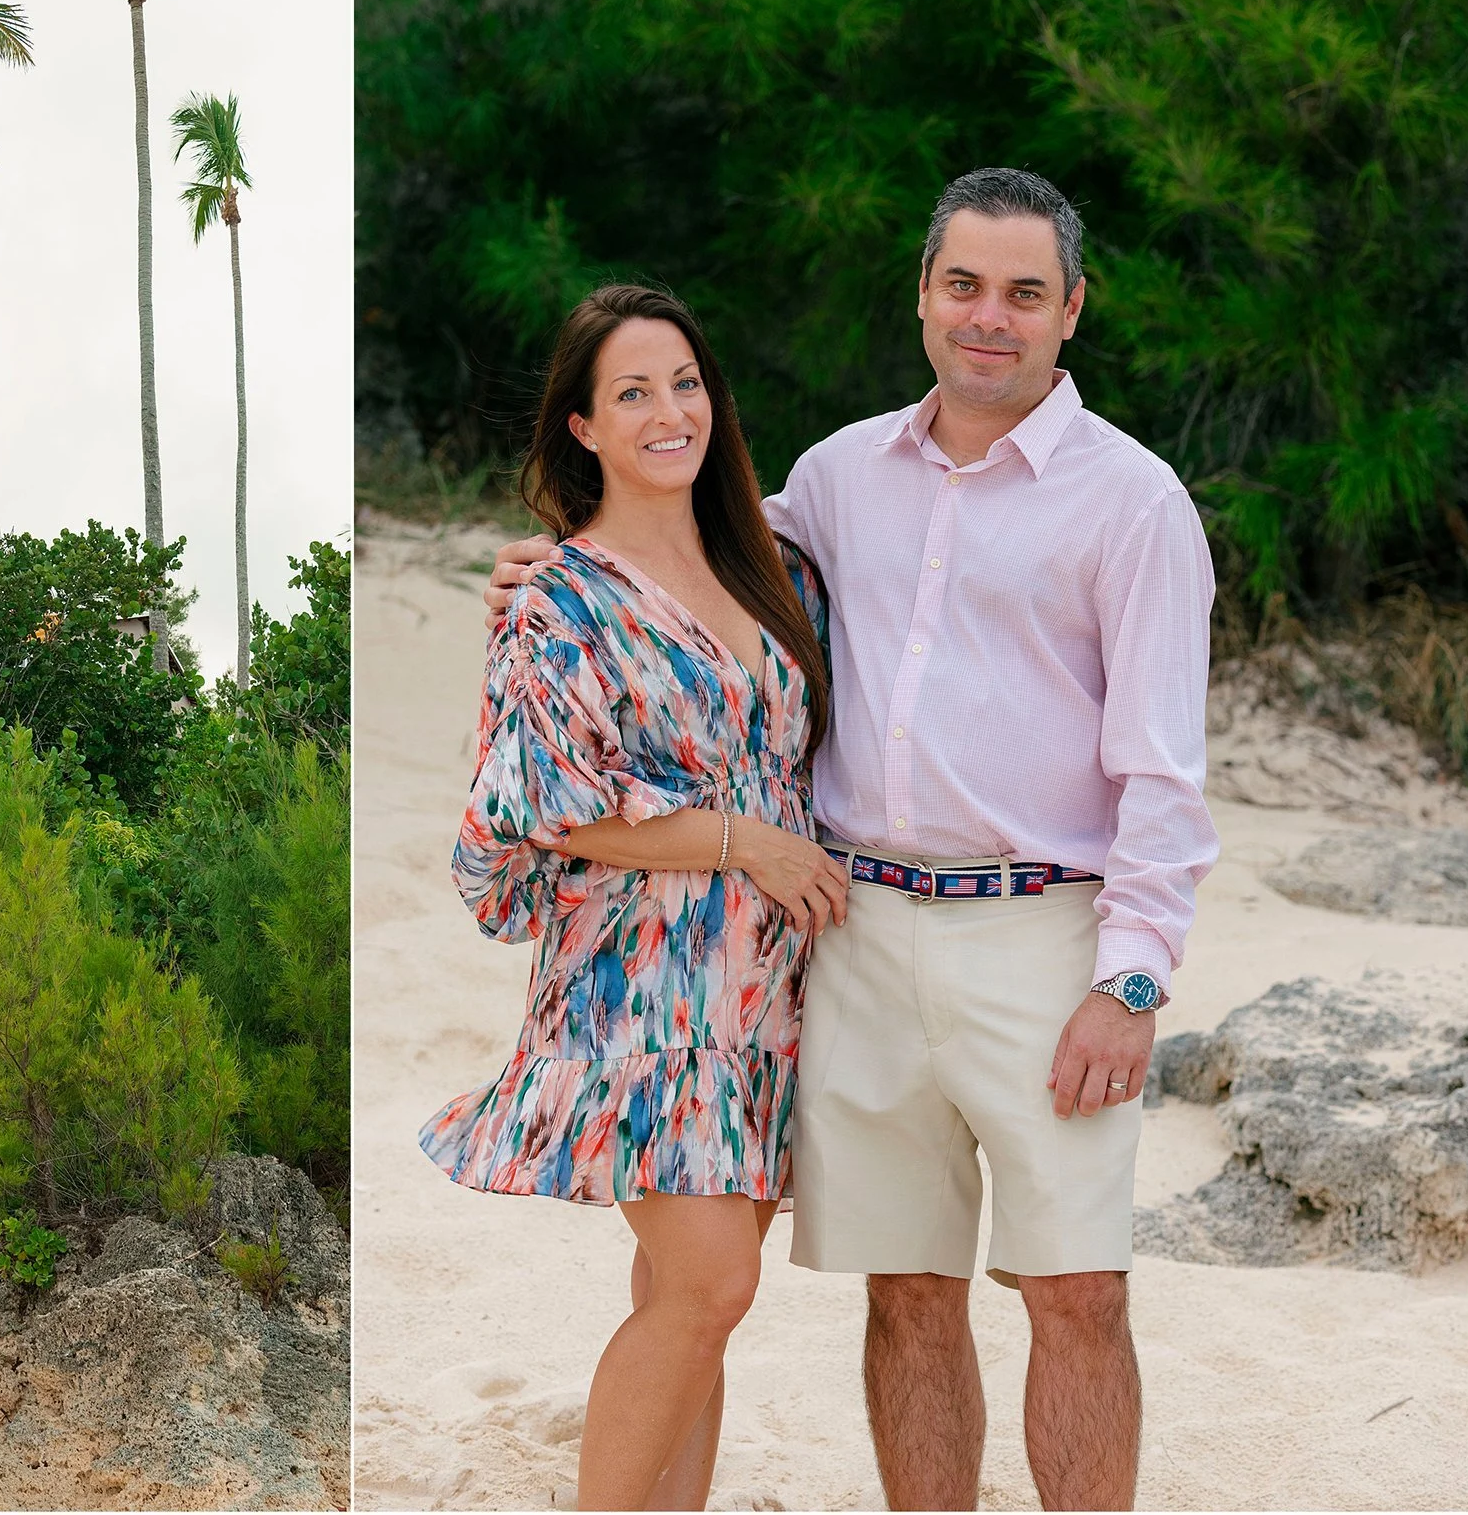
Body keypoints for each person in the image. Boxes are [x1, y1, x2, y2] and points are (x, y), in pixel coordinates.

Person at [484, 167, 1219, 1510]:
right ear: (924, 294)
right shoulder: (840, 476)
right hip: (855, 936)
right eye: (964, 285)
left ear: (1071, 311)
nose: (989, 317)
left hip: (1043, 935)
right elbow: (685, 563)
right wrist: (555, 557)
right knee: (910, 1288)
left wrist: (1131, 978)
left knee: (1077, 1289)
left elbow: (1165, 776)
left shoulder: (1133, 502)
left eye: (1024, 292)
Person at [423, 283, 847, 1511]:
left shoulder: (774, 566)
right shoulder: (556, 594)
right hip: (638, 975)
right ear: (581, 429)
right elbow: (544, 799)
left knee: (686, 1301)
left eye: (684, 383)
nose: (669, 412)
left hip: (768, 985)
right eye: (631, 393)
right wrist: (744, 844)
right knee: (713, 1284)